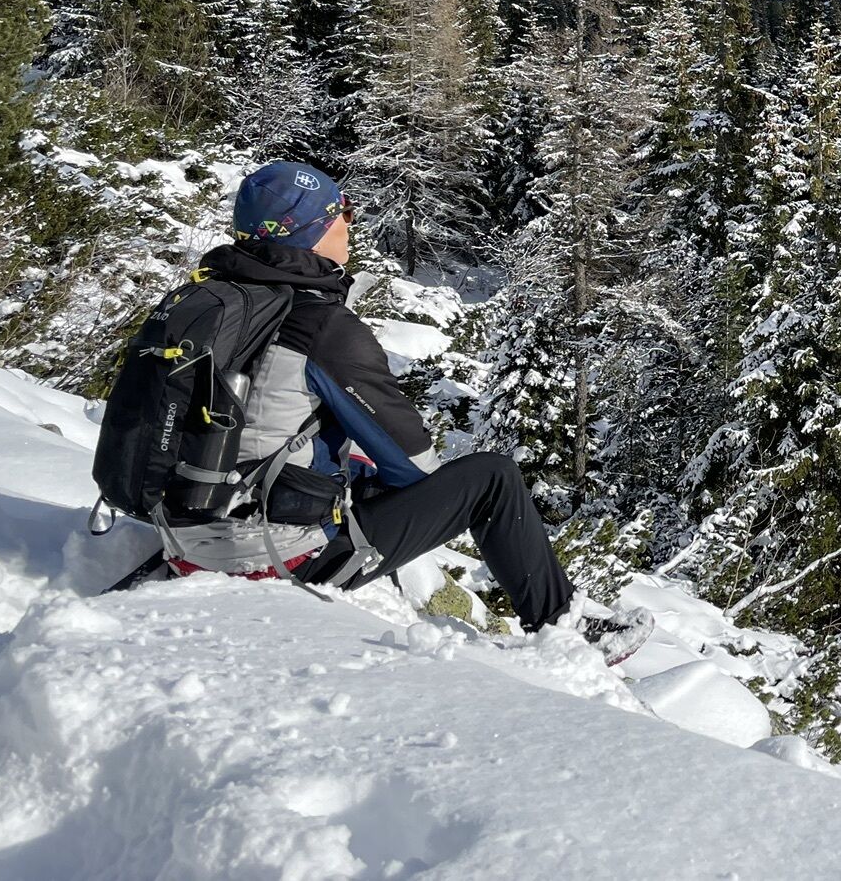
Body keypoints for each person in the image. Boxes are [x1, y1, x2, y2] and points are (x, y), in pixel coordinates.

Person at [167, 159, 646, 659]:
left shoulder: (207, 302)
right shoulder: (322, 327)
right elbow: (416, 470)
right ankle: (565, 627)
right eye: (341, 212)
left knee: (358, 470)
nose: (350, 222)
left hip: (184, 532)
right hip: (273, 556)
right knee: (491, 480)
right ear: (309, 230)